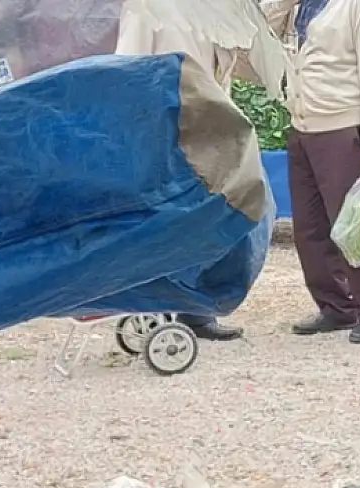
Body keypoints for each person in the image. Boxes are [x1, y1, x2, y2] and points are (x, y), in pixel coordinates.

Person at [266, 0, 360, 344]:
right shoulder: (300, 6)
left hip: (341, 128)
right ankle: (336, 306)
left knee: (352, 226)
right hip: (302, 125)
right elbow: (260, 29)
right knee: (309, 228)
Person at [113, 0, 246, 342]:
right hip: (165, 128)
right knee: (166, 219)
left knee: (201, 218)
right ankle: (152, 307)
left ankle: (196, 311)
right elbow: (127, 68)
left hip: (208, 127)